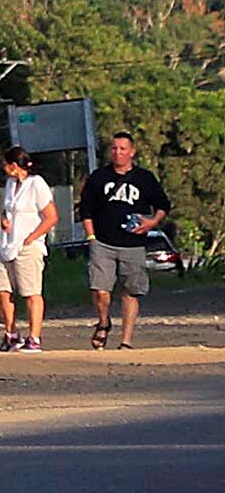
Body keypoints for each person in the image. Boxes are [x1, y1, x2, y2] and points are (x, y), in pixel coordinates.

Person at [78, 133, 176, 349]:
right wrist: (91, 236)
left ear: (132, 152)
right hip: (103, 242)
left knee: (131, 291)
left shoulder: (144, 178)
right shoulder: (98, 177)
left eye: (123, 149)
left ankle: (126, 341)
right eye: (114, 148)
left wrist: (152, 222)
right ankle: (103, 322)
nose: (118, 153)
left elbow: (163, 205)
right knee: (100, 289)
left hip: (133, 244)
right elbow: (85, 209)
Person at [0, 148, 56, 354]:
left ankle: (34, 337)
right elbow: (8, 209)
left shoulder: (36, 184)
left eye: (5, 164)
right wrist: (5, 221)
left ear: (14, 165)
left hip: (28, 246)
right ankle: (11, 334)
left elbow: (51, 217)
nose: (3, 168)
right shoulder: (10, 184)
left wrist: (32, 237)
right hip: (7, 244)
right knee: (2, 289)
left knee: (31, 292)